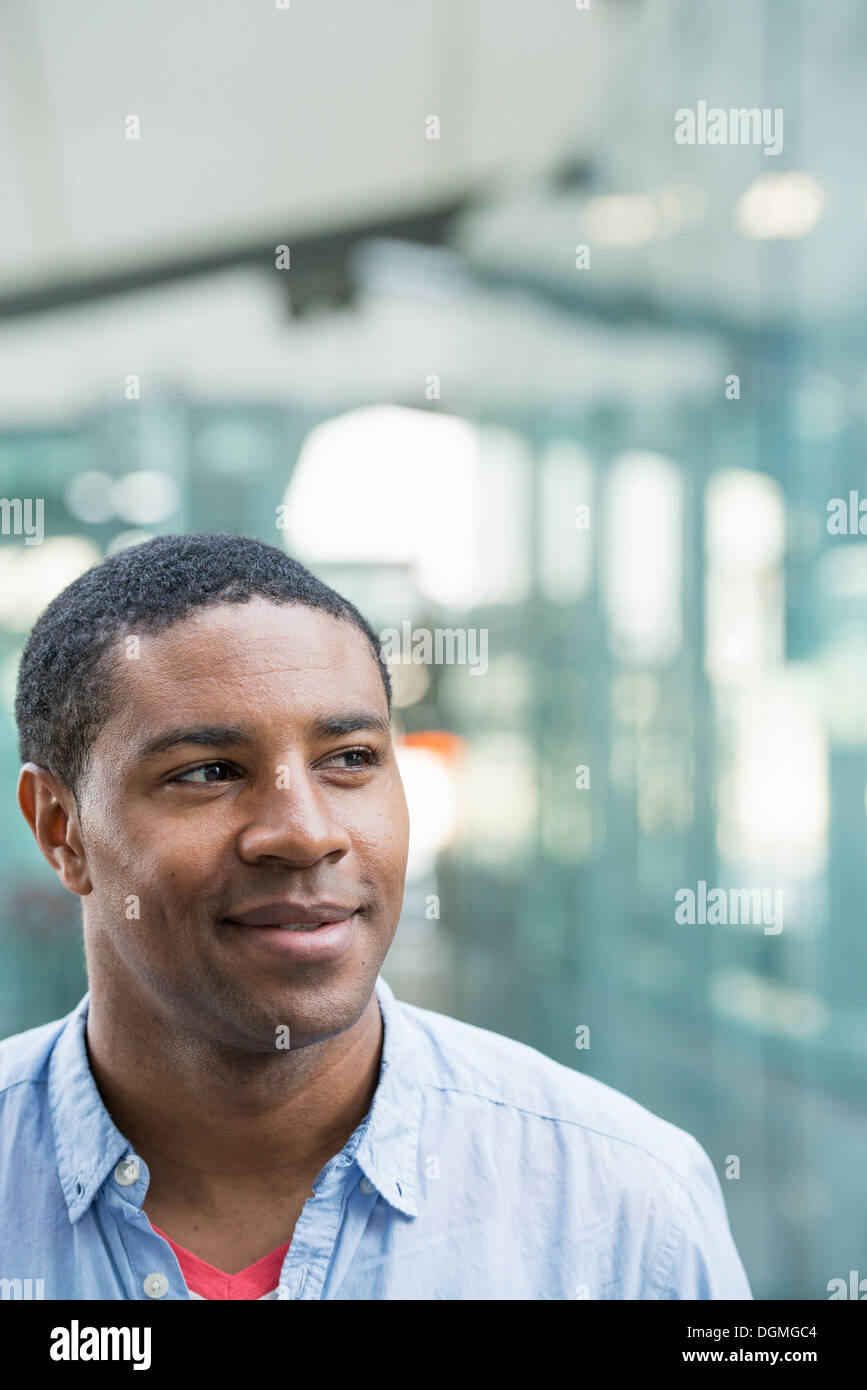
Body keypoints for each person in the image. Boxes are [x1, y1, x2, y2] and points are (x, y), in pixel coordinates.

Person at [0, 532, 751, 1300]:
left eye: (351, 758)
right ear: (62, 829)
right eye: (209, 772)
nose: (306, 832)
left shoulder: (626, 1211)